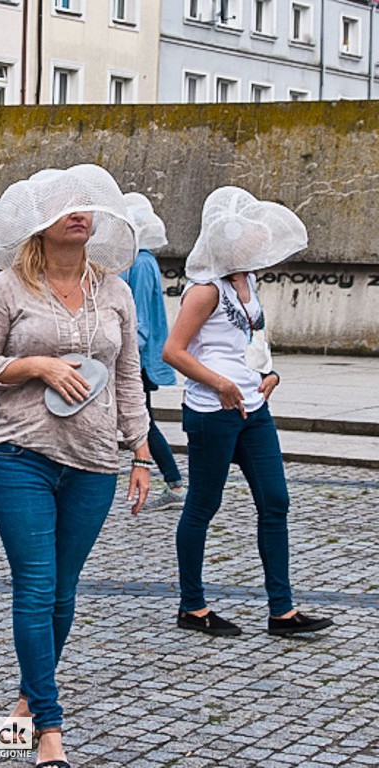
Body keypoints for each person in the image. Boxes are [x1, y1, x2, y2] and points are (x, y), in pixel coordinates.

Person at [0, 164, 151, 768]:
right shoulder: (7, 290)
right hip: (22, 455)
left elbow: (127, 378)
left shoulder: (116, 290)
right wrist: (38, 365)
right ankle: (49, 727)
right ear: (40, 223)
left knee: (64, 594)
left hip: (94, 461)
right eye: (67, 205)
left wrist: (141, 451)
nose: (82, 212)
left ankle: (28, 692)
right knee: (36, 586)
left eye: (89, 205)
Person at [163, 186, 333, 638]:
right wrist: (217, 382)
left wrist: (269, 371)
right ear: (229, 240)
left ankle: (282, 612)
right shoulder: (204, 291)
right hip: (211, 411)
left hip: (253, 409)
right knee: (203, 505)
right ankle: (192, 607)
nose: (261, 243)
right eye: (253, 236)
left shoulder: (248, 281)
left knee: (276, 501)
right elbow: (172, 352)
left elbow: (251, 341)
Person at [121, 192, 186, 511]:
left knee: (143, 421)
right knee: (141, 420)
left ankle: (172, 482)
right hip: (134, 355)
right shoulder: (134, 261)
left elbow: (140, 318)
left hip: (137, 358)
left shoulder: (142, 262)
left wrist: (128, 357)